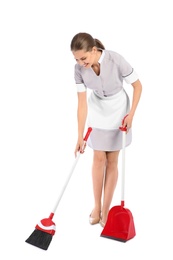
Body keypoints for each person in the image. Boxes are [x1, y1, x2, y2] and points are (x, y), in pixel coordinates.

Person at [70, 32, 142, 227]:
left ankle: (106, 209)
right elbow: (82, 104)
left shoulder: (116, 59)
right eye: (76, 59)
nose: (80, 63)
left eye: (83, 58)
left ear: (94, 50)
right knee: (98, 158)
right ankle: (96, 206)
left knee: (112, 160)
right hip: (97, 110)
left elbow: (137, 86)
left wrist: (131, 115)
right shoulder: (78, 69)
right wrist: (79, 136)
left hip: (119, 109)